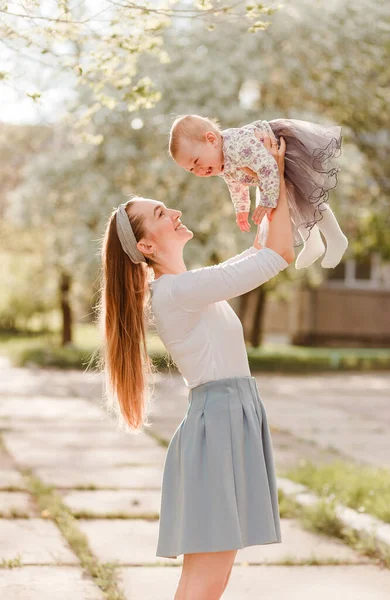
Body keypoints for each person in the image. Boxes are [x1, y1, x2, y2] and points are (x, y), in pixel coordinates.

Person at [97, 132, 294, 600]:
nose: (175, 212)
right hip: (219, 424)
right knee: (206, 580)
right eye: (161, 214)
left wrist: (264, 177)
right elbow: (278, 254)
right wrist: (278, 175)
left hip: (228, 419)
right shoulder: (178, 292)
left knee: (212, 576)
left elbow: (262, 248)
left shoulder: (186, 286)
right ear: (146, 246)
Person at [169, 114, 348, 270]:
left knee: (307, 199)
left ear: (212, 140)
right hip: (268, 174)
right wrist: (241, 209)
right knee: (292, 204)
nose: (198, 170)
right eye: (191, 169)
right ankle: (312, 242)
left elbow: (268, 166)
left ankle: (336, 237)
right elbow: (236, 185)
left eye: (197, 161)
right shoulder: (220, 162)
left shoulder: (236, 146)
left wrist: (268, 200)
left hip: (281, 151)